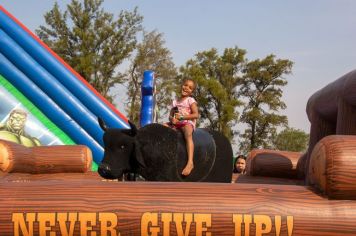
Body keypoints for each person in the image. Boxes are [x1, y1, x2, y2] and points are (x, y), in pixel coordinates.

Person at [164, 79, 199, 176]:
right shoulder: (175, 101)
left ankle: (190, 162)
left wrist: (182, 117)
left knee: (188, 132)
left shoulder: (190, 100)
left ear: (192, 91)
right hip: (177, 123)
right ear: (182, 85)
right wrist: (172, 120)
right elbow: (171, 115)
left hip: (186, 122)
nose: (186, 88)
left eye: (190, 88)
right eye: (185, 85)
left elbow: (196, 115)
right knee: (162, 127)